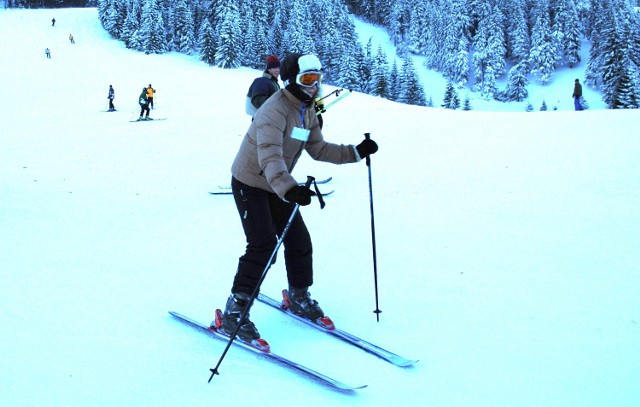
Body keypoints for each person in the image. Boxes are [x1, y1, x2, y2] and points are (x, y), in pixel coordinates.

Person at [217, 53, 379, 344]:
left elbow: (318, 148)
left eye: (318, 79)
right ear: (292, 80)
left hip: (278, 184)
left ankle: (298, 295)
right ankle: (234, 312)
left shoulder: (308, 110)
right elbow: (269, 154)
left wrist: (356, 152)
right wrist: (289, 187)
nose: (314, 86)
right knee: (263, 244)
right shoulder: (274, 110)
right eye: (307, 79)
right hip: (251, 182)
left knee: (299, 240)